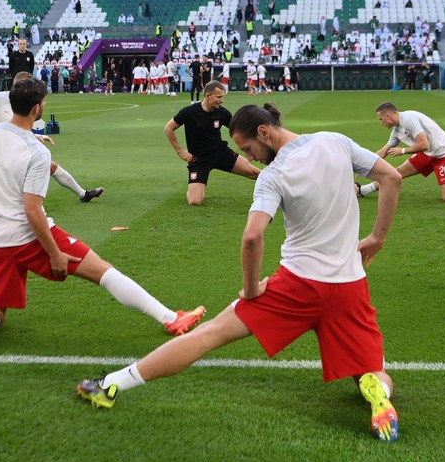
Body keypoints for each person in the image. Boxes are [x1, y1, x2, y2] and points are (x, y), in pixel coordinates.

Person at [77, 103, 406, 443]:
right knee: (371, 370)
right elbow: (391, 177)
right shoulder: (336, 142)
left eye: (248, 149)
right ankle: (379, 393)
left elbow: (252, 236)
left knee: (208, 334)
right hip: (349, 286)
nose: (251, 158)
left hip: (297, 286)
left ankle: (111, 384)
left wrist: (250, 291)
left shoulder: (273, 176)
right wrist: (377, 238)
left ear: (264, 132)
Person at [0, 77, 204, 353]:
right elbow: (32, 210)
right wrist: (54, 253)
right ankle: (170, 318)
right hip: (29, 237)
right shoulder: (36, 150)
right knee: (104, 272)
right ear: (36, 108)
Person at [0, 72, 103, 203]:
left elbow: (17, 130)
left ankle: (83, 194)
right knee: (7, 187)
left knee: (49, 166)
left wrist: (37, 136)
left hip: (13, 150)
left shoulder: (25, 106)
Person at [165, 82, 262, 206]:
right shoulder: (189, 112)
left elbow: (238, 131)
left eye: (223, 96)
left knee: (254, 173)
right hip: (199, 160)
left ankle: (281, 185)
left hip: (221, 153)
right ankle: (194, 189)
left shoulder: (223, 113)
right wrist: (180, 152)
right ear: (208, 96)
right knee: (195, 201)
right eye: (219, 97)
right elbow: (169, 128)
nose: (222, 100)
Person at [361, 103, 445, 203]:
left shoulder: (409, 119)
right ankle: (362, 190)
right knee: (396, 174)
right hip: (427, 153)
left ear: (388, 116)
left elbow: (424, 145)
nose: (381, 123)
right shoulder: (396, 131)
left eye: (381, 119)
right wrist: (364, 164)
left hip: (444, 154)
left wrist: (402, 151)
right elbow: (383, 152)